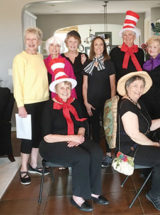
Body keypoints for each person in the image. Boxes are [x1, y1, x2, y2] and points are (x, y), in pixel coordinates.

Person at [39, 58, 108, 212]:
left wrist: (80, 136)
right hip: (52, 144)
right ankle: (78, 196)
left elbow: (82, 123)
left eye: (68, 87)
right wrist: (72, 138)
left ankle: (94, 191)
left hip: (75, 137)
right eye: (62, 87)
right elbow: (47, 137)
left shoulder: (75, 102)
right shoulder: (49, 106)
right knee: (81, 157)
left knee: (96, 151)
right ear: (56, 89)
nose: (65, 91)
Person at [117, 71, 160, 212]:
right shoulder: (127, 106)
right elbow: (134, 134)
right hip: (128, 152)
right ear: (127, 87)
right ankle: (154, 194)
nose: (139, 89)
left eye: (141, 86)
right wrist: (152, 144)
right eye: (135, 86)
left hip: (136, 144)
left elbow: (147, 125)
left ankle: (159, 179)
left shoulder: (137, 103)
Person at [12, 27, 49, 185]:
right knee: (27, 137)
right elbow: (17, 84)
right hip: (27, 103)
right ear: (25, 40)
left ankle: (34, 164)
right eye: (29, 39)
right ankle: (24, 169)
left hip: (43, 101)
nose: (31, 42)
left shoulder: (40, 57)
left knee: (38, 135)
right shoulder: (20, 59)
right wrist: (20, 106)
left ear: (39, 41)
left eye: (34, 39)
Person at [82, 36, 116, 167]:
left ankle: (108, 154)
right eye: (96, 45)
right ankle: (96, 154)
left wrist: (111, 103)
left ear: (104, 47)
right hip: (91, 102)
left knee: (107, 128)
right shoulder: (87, 63)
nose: (98, 47)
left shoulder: (109, 63)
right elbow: (84, 85)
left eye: (101, 44)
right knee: (94, 129)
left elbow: (113, 85)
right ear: (92, 47)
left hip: (106, 102)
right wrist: (86, 102)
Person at [140, 35, 160, 119]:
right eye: (150, 46)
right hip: (145, 99)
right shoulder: (144, 64)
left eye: (155, 47)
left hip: (159, 101)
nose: (151, 49)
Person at [110, 10, 144, 82]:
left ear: (134, 37)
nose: (127, 37)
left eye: (130, 34)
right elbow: (111, 72)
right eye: (124, 35)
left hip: (136, 86)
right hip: (119, 86)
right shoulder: (114, 52)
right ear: (122, 37)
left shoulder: (140, 52)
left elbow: (141, 71)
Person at [61, 30, 87, 107]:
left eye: (75, 41)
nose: (73, 44)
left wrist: (85, 64)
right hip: (66, 93)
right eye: (70, 41)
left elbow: (89, 76)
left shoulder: (83, 56)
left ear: (79, 43)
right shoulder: (61, 57)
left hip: (82, 93)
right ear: (66, 43)